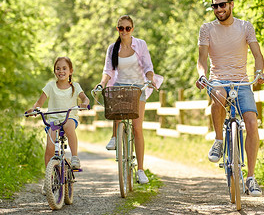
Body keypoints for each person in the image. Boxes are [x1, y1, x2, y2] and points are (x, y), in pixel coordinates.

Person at [195, 0, 264, 197]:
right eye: (214, 6)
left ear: (231, 4)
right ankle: (219, 140)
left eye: (222, 5)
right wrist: (202, 75)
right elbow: (202, 59)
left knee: (252, 122)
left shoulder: (245, 27)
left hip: (242, 81)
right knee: (218, 96)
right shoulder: (207, 29)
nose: (218, 9)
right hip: (218, 79)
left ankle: (251, 179)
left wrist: (260, 73)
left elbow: (257, 55)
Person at [96, 15, 163, 184]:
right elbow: (108, 71)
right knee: (115, 108)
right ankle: (114, 137)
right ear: (117, 29)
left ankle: (140, 170)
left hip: (137, 87)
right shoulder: (112, 48)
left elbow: (148, 67)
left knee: (137, 127)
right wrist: (102, 84)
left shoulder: (140, 44)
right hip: (119, 86)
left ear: (132, 29)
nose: (124, 31)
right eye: (121, 28)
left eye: (127, 28)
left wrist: (150, 79)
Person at [27, 57, 90, 194]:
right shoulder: (50, 86)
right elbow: (39, 102)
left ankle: (74, 157)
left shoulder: (75, 86)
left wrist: (84, 102)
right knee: (50, 148)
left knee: (68, 126)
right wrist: (34, 109)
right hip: (53, 120)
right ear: (55, 71)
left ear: (70, 71)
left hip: (69, 117)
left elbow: (84, 98)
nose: (61, 71)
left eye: (64, 68)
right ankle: (48, 180)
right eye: (58, 68)